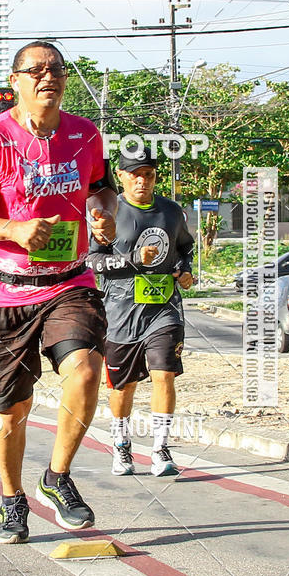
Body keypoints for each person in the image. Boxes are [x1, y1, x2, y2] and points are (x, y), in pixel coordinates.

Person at [0, 40, 117, 544]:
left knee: (86, 370)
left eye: (58, 69)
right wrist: (13, 230)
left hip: (69, 280)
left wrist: (103, 210)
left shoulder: (86, 135)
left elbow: (100, 186)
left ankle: (57, 477)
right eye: (36, 70)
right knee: (10, 413)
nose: (49, 77)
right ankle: (11, 497)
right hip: (4, 292)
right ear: (15, 82)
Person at [87, 146, 194, 477]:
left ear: (155, 176)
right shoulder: (109, 213)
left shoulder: (171, 212)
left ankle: (162, 450)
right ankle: (122, 446)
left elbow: (184, 249)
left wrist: (185, 271)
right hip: (120, 314)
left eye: (148, 175)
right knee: (123, 386)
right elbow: (92, 261)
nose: (142, 181)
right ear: (121, 176)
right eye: (134, 175)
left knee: (164, 374)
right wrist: (134, 261)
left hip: (164, 309)